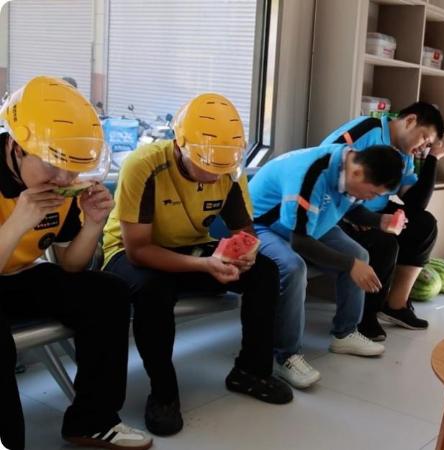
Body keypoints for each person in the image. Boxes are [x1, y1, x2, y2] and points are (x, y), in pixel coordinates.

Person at [102, 93, 291, 437]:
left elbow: (243, 230)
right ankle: (164, 394)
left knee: (264, 271)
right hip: (129, 255)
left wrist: (246, 253)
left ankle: (251, 371)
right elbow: (138, 251)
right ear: (180, 145)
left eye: (222, 166)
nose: (214, 174)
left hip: (192, 249)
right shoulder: (144, 165)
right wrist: (204, 266)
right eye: (206, 164)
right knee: (153, 290)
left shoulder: (227, 169)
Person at [0, 76, 152, 450]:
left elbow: (71, 265)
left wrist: (94, 224)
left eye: (72, 168)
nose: (64, 178)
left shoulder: (66, 180)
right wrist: (18, 222)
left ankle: (93, 420)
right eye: (52, 166)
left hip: (19, 277)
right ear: (17, 147)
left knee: (107, 293)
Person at [248, 143, 404, 389]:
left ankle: (345, 333)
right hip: (261, 226)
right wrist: (349, 265)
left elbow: (351, 208)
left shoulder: (349, 162)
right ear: (357, 173)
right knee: (294, 268)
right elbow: (300, 242)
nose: (372, 199)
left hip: (304, 225)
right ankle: (286, 356)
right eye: (373, 193)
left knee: (359, 254)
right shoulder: (310, 176)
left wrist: (380, 221)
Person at [321, 102, 444, 340]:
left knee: (424, 225)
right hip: (336, 212)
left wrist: (433, 158)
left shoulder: (405, 153)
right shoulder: (366, 130)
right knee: (384, 242)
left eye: (427, 145)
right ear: (410, 121)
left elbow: (415, 203)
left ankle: (396, 305)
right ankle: (364, 316)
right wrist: (349, 212)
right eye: (424, 139)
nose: (422, 147)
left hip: (372, 211)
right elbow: (323, 167)